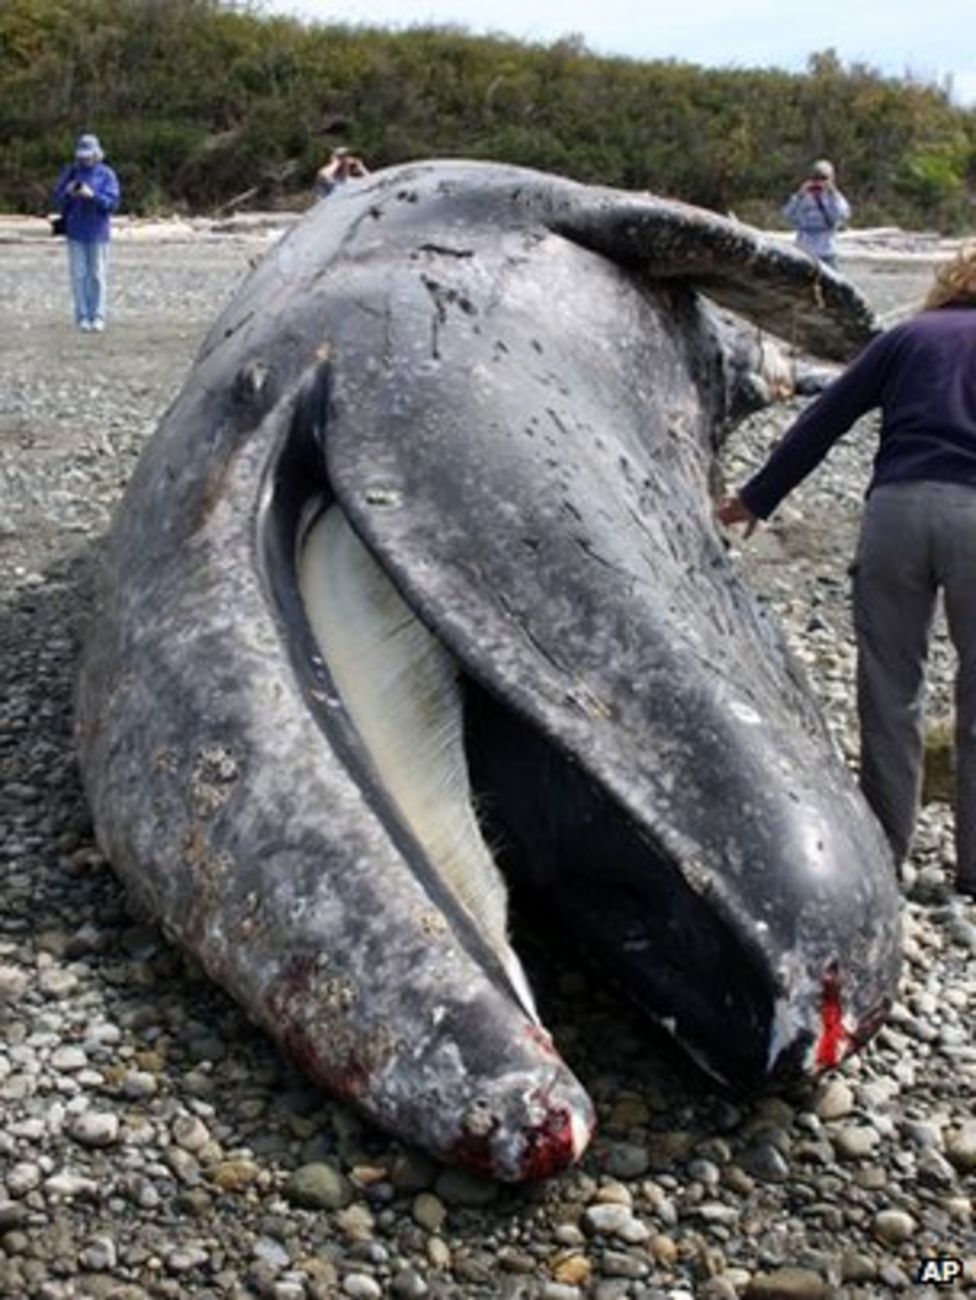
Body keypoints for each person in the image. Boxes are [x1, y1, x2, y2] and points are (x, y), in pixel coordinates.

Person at [716, 246, 976, 897]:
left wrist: (757, 497)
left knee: (891, 689)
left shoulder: (907, 337)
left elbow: (824, 419)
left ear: (947, 280)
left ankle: (887, 855)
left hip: (896, 514)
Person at [52, 133, 121, 333]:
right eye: (82, 156)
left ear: (97, 154)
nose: (85, 160)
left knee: (97, 275)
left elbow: (112, 204)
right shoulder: (71, 172)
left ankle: (98, 315)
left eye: (88, 156)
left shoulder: (107, 174)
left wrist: (93, 196)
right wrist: (68, 193)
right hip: (75, 232)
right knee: (79, 275)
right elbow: (58, 200)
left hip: (98, 233)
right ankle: (82, 315)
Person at [781, 160, 850, 269]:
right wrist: (799, 195)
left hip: (826, 252)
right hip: (804, 252)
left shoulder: (834, 198)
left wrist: (833, 192)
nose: (819, 182)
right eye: (815, 178)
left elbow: (842, 214)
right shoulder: (802, 196)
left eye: (823, 178)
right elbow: (787, 214)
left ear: (831, 178)